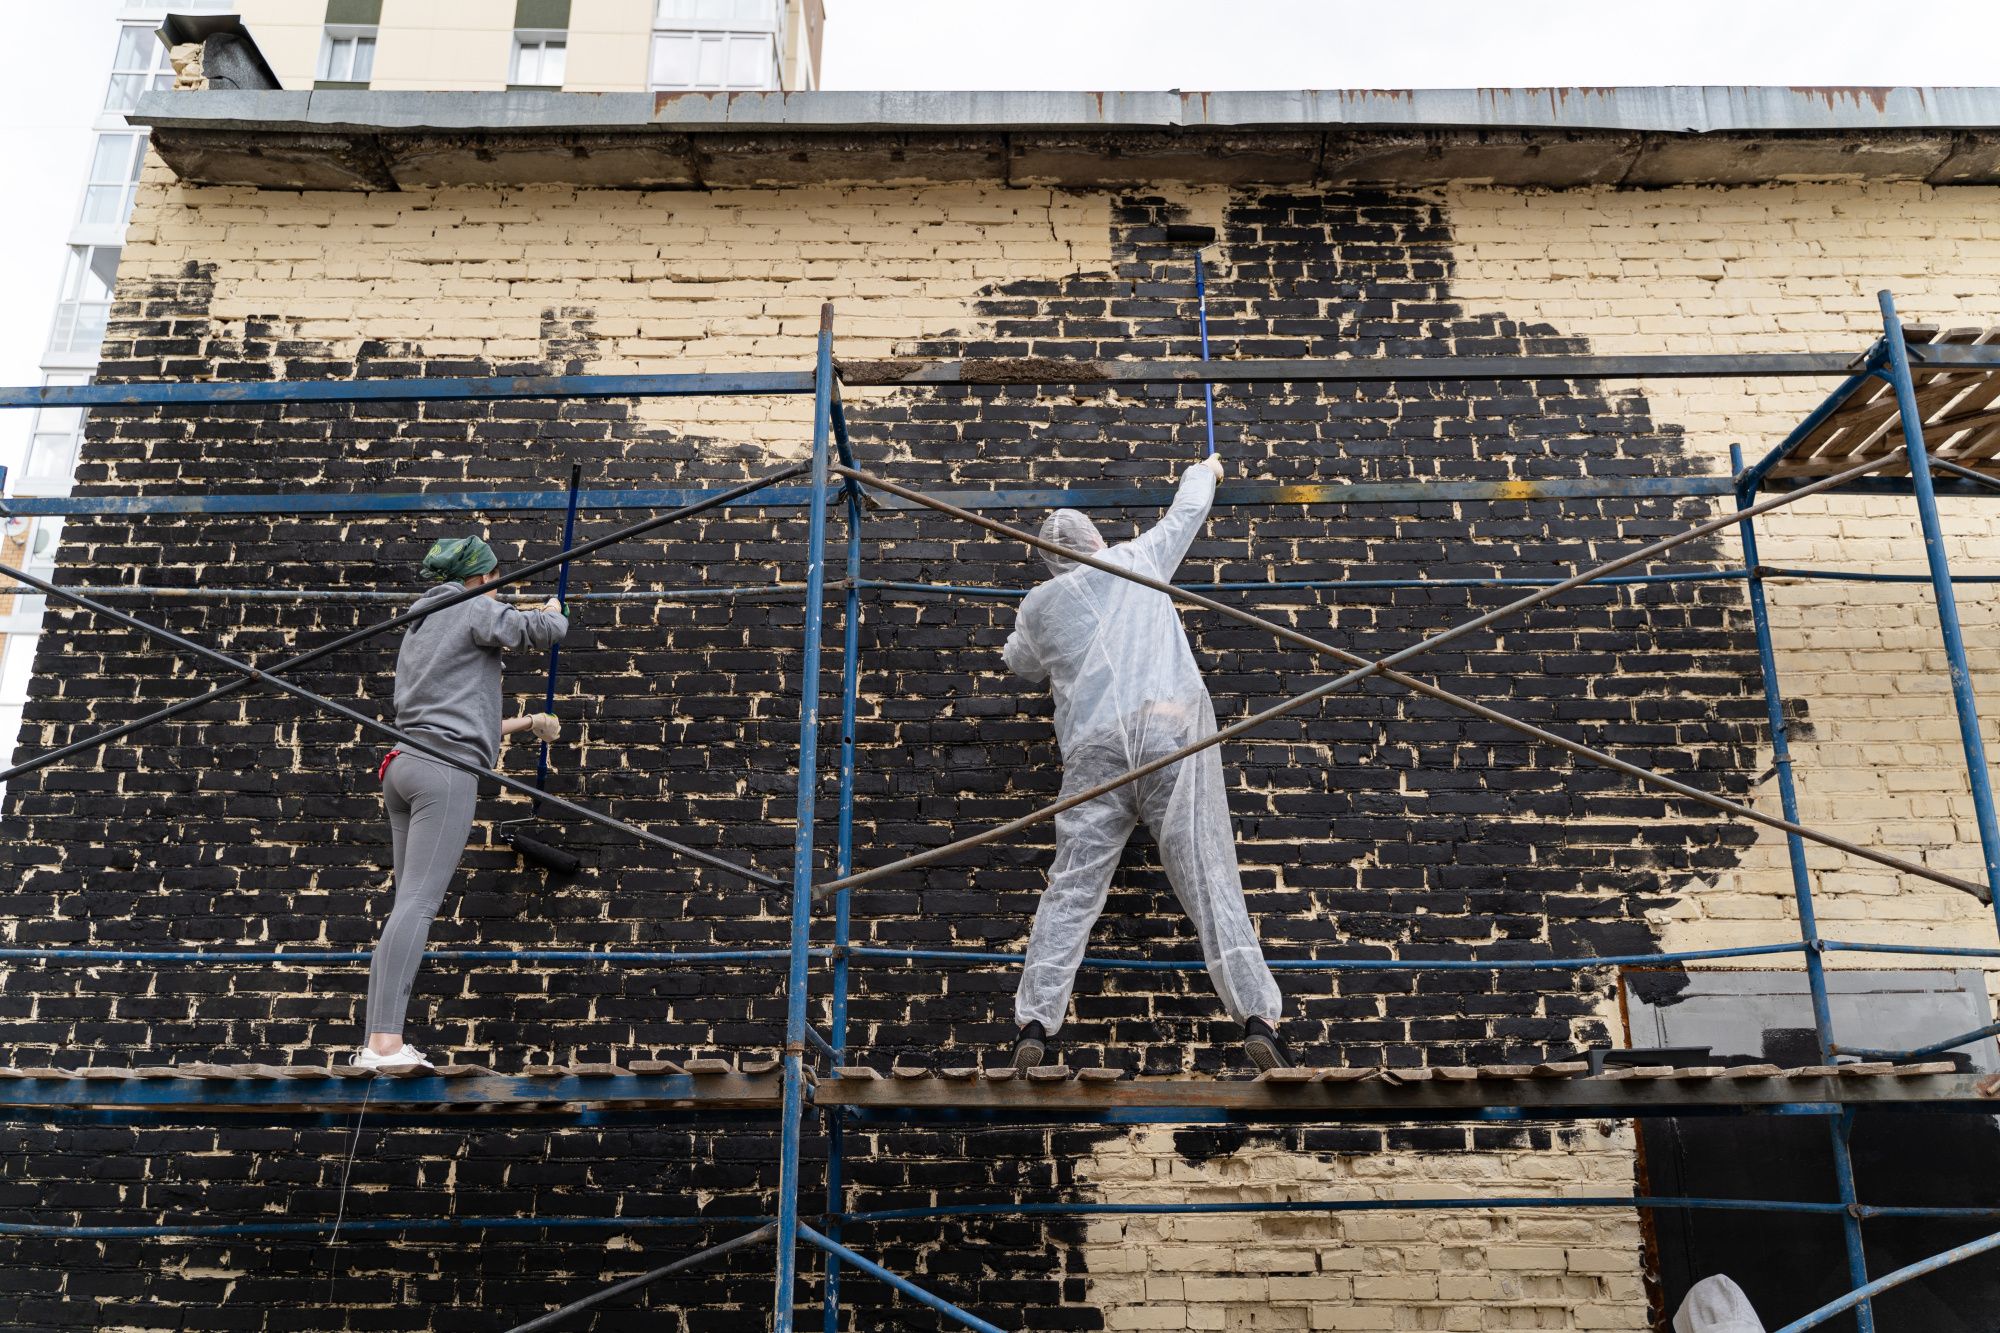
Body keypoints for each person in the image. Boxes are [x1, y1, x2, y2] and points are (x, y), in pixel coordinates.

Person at [1001, 456, 1290, 1071]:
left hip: (1095, 756)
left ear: (1048, 558)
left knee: (1072, 888)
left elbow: (1018, 662)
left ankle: (1034, 1024)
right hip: (1168, 736)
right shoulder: (1136, 559)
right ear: (1095, 541)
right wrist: (1205, 470)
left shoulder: (1039, 607)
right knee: (1207, 872)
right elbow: (1186, 514)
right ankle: (1258, 1016)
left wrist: (1044, 628)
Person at [355, 535, 569, 1072]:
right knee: (419, 907)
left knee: (405, 905)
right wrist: (552, 610)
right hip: (444, 774)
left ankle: (376, 1041)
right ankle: (384, 1046)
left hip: (405, 764)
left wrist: (526, 724)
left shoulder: (421, 625)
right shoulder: (474, 606)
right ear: (481, 577)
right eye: (497, 579)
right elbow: (540, 632)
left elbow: (453, 716)